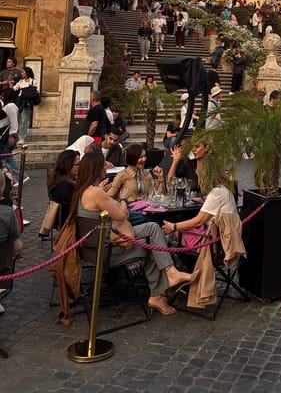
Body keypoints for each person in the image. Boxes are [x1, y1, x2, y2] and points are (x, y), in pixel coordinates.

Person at [65, 151, 192, 316]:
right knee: (151, 248)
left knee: (153, 228)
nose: (107, 167)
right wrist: (123, 199)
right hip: (106, 252)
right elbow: (121, 215)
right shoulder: (95, 193)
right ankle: (159, 292)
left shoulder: (83, 190)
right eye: (104, 164)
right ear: (97, 168)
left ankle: (168, 278)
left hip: (92, 249)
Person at [47, 149, 80, 227]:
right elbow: (74, 205)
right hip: (69, 223)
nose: (80, 167)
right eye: (78, 164)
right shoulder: (63, 185)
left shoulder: (65, 180)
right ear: (68, 165)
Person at [14, 66, 36, 140]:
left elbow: (36, 91)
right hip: (20, 101)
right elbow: (14, 88)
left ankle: (22, 137)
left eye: (23, 72)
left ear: (27, 73)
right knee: (16, 118)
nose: (22, 73)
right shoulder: (20, 81)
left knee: (24, 120)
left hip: (27, 102)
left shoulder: (32, 81)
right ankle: (15, 134)